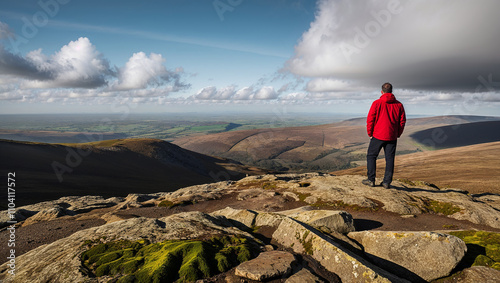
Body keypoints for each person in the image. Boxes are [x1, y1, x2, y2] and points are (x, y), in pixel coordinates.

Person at [362, 82, 406, 189]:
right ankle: (387, 182)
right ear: (391, 92)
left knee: (371, 156)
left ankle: (371, 180)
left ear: (382, 92)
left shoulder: (376, 103)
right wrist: (398, 134)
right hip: (392, 137)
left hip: (377, 135)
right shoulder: (399, 105)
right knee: (390, 159)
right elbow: (402, 121)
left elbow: (370, 120)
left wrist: (370, 133)